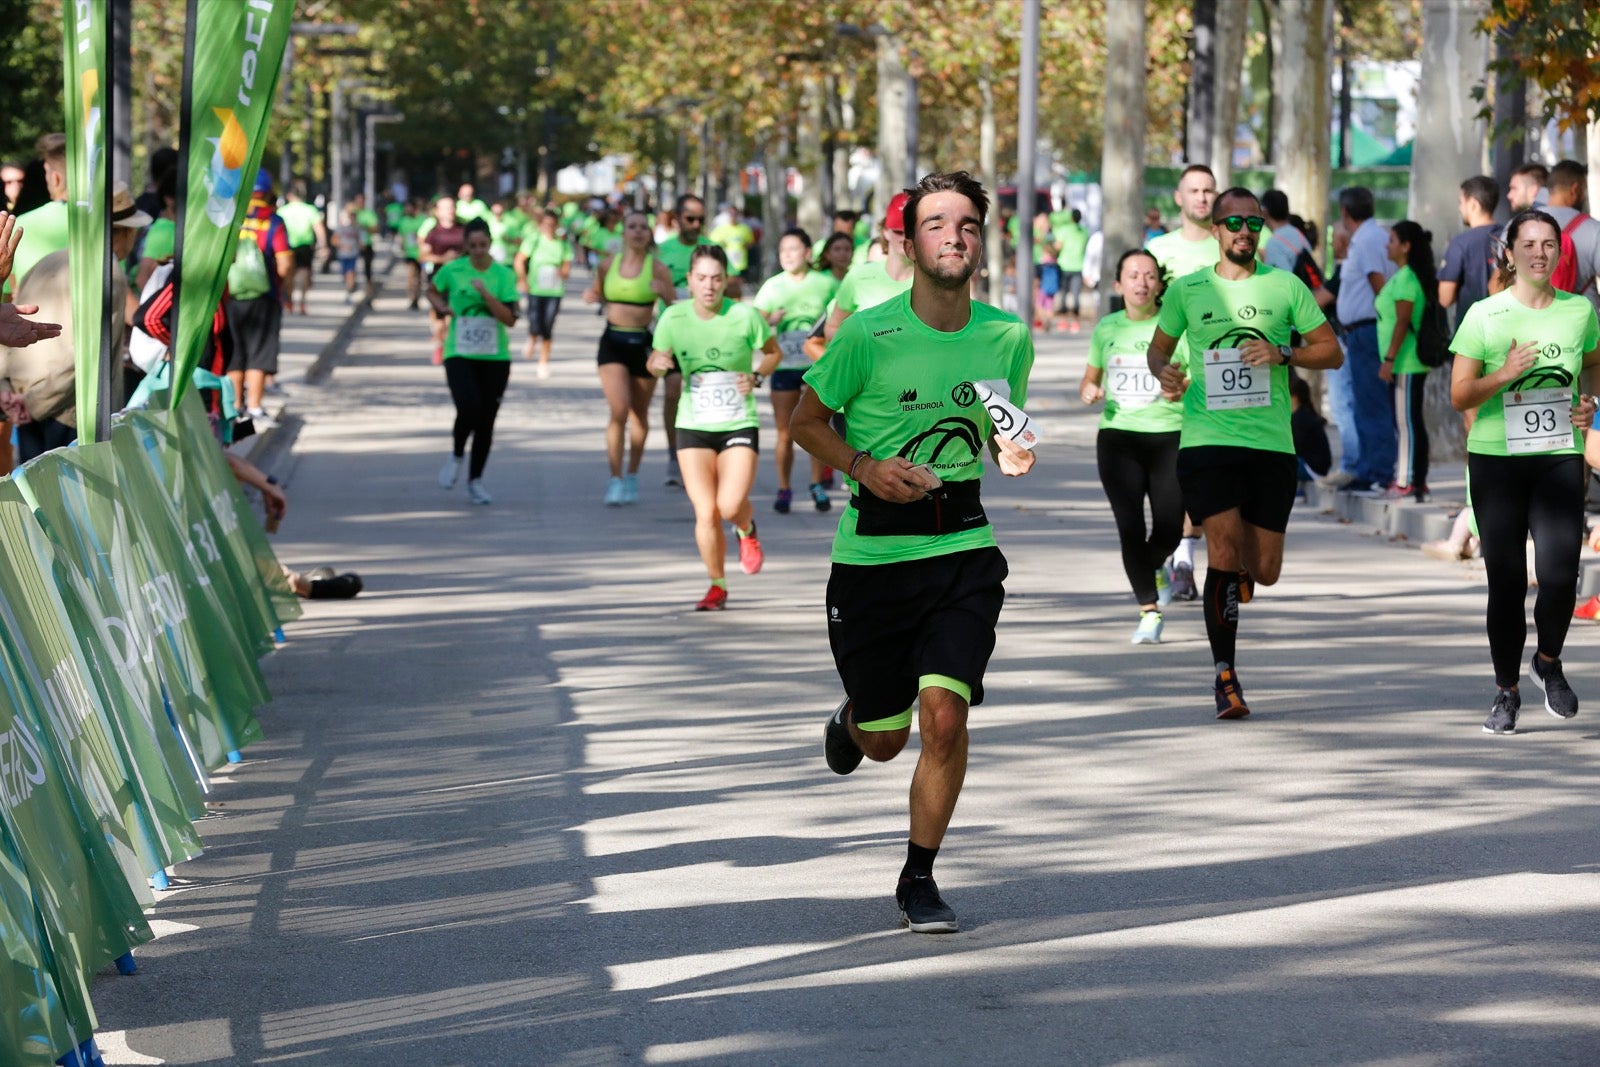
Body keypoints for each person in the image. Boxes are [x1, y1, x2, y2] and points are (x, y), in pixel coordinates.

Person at [792, 170, 1037, 934]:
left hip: (964, 549)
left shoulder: (1006, 335)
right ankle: (856, 715)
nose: (953, 236)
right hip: (871, 560)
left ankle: (919, 876)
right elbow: (806, 419)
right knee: (885, 738)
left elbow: (1006, 435)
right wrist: (864, 466)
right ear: (909, 241)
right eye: (936, 224)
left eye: (966, 224)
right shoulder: (868, 332)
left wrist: (1015, 451)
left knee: (945, 717)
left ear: (980, 242)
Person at [1144, 187, 1343, 719]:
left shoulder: (1285, 286)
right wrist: (1162, 372)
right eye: (1232, 223)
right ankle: (1225, 676)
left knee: (1266, 569)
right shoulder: (1188, 289)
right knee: (1223, 554)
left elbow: (1332, 351)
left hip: (1271, 445)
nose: (1242, 232)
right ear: (1216, 230)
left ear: (1261, 231)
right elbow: (1158, 348)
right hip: (1207, 441)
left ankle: (1244, 579)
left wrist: (1284, 352)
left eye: (1251, 224)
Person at [1450, 208, 1600, 733]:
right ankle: (1505, 691)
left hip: (1558, 456)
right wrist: (1505, 375)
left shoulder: (1579, 310)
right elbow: (1459, 393)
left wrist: (1590, 402)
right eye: (1529, 244)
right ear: (1509, 254)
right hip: (1496, 463)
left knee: (1561, 575)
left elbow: (1595, 360)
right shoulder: (1485, 315)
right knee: (1508, 582)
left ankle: (1549, 662)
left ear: (1560, 253)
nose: (1540, 252)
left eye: (1549, 244)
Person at [648, 245, 779, 609]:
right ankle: (717, 584)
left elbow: (773, 352)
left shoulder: (744, 315)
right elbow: (656, 363)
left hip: (738, 419)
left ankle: (746, 529)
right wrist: (657, 364)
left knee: (730, 504)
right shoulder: (673, 317)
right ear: (689, 281)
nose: (709, 286)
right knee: (705, 511)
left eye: (717, 279)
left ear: (726, 281)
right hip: (693, 423)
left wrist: (755, 376)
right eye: (702, 278)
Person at [1078, 248, 1182, 643]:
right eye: (1133, 275)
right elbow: (1089, 379)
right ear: (1118, 284)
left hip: (1169, 437)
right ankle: (1149, 609)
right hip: (1118, 439)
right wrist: (1089, 390)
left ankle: (1155, 565)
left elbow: (1189, 380)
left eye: (1150, 275)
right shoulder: (1107, 328)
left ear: (1159, 284)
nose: (1142, 282)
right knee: (1130, 528)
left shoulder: (1175, 327)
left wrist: (1179, 388)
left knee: (1170, 529)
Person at [1, 186, 144, 461]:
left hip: (26, 402)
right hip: (71, 413)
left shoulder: (50, 260)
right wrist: (29, 403)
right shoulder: (110, 274)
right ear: (125, 233)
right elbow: (93, 356)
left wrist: (9, 393)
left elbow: (10, 328)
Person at [1145, 164, 1220, 602]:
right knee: (1167, 477)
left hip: (1212, 382)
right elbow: (1143, 308)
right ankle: (1168, 551)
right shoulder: (1159, 249)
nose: (1202, 198)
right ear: (1178, 197)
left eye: (1208, 190)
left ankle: (1186, 557)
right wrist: (1155, 368)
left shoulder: (1229, 246)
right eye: (1193, 190)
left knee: (1200, 474)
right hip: (1164, 375)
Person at [583, 210, 676, 505]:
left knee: (639, 414)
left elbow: (675, 310)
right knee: (619, 411)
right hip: (613, 342)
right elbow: (598, 292)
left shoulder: (658, 268)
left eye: (642, 228)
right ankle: (615, 478)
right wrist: (592, 295)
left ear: (649, 234)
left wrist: (665, 295)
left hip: (643, 343)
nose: (637, 232)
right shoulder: (608, 264)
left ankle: (633, 473)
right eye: (632, 227)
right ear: (623, 232)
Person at [427, 217, 519, 505]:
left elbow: (510, 318)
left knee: (487, 420)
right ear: (465, 245)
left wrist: (485, 294)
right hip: (459, 350)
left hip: (495, 355)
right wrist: (442, 306)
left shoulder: (503, 274)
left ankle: (476, 480)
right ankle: (456, 455)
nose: (478, 250)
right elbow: (431, 289)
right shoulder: (454, 270)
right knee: (469, 406)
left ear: (490, 243)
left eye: (483, 245)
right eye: (473, 245)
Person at [753, 227, 839, 513]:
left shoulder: (825, 283)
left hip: (817, 365)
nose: (788, 255)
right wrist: (770, 319)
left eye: (793, 249)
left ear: (807, 253)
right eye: (783, 250)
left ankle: (816, 483)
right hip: (785, 365)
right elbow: (753, 324)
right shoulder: (773, 286)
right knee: (783, 432)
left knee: (817, 426)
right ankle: (784, 486)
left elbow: (841, 314)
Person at [1325, 186, 1396, 493]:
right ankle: (1369, 468)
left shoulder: (1366, 239)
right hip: (1364, 331)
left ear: (1345, 212)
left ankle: (1377, 470)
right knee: (1366, 403)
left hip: (1368, 330)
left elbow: (1379, 284)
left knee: (1370, 403)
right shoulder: (1372, 236)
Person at [654, 194, 717, 485]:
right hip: (675, 331)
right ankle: (673, 452)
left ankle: (704, 453)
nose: (696, 224)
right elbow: (649, 286)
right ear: (677, 218)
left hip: (709, 331)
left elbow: (733, 286)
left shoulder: (712, 249)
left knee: (705, 394)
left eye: (700, 219)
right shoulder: (663, 250)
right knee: (672, 392)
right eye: (690, 218)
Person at [1375, 221, 1436, 501]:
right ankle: (1414, 479)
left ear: (1405, 246)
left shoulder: (1407, 280)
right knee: (1409, 421)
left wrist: (1389, 359)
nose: (1387, 245)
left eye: (1391, 240)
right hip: (1403, 363)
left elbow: (1402, 322)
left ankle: (1406, 480)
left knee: (1406, 423)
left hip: (1405, 363)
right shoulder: (1403, 276)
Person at [228, 169, 293, 428]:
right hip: (264, 297)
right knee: (259, 353)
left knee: (235, 352)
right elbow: (284, 264)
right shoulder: (273, 221)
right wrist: (283, 288)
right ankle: (254, 407)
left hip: (230, 296)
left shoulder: (231, 218)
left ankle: (234, 406)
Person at [822, 191, 915, 341]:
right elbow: (832, 328)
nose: (904, 238)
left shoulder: (935, 279)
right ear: (885, 232)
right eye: (898, 231)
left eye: (910, 231)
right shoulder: (858, 276)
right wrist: (863, 342)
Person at [514, 208, 573, 379]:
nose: (549, 227)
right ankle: (532, 338)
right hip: (535, 289)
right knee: (534, 322)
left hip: (554, 290)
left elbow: (566, 267)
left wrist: (562, 272)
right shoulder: (534, 240)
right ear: (540, 225)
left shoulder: (562, 244)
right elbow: (519, 260)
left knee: (548, 326)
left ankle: (543, 361)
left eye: (552, 224)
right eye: (545, 224)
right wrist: (523, 279)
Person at [9, 134, 69, 293]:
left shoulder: (20, 224)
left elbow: (11, 291)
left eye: (46, 172)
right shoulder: (102, 222)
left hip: (33, 315)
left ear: (55, 178)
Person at [1439, 176, 1501, 326]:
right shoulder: (1511, 236)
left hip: (1471, 334)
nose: (1459, 208)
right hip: (1506, 331)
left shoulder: (1461, 243)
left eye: (1461, 202)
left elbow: (1445, 298)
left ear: (1473, 204)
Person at [1260, 188, 1334, 310]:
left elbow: (1282, 283)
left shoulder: (1274, 243)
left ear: (1265, 212)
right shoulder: (1298, 234)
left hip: (1293, 312)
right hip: (1309, 301)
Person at [1542, 159, 1600, 307]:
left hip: (1531, 324)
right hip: (1582, 324)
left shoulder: (1517, 226)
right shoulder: (1593, 229)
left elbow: (1498, 283)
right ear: (1575, 189)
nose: (1584, 196)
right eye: (1584, 190)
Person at [420, 197, 465, 364]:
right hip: (439, 277)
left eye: (452, 207)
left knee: (453, 313)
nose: (450, 211)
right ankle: (440, 343)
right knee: (440, 315)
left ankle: (449, 345)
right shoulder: (433, 232)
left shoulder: (463, 229)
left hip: (460, 278)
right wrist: (443, 258)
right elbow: (423, 255)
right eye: (445, 208)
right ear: (437, 212)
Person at [278, 182, 326, 316]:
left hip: (287, 246)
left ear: (289, 196)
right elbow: (319, 229)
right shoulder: (310, 209)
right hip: (305, 245)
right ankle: (303, 302)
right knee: (305, 272)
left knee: (289, 275)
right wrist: (323, 246)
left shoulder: (282, 211)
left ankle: (290, 300)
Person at [1054, 208, 1090, 332]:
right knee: (1076, 295)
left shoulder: (1064, 230)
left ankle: (1063, 322)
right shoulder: (1084, 231)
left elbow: (1058, 246)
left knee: (1063, 294)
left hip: (1064, 265)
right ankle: (1075, 323)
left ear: (1071, 218)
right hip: (1078, 266)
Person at [395, 198, 426, 310]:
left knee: (419, 277)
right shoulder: (404, 221)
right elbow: (402, 235)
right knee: (411, 276)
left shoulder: (422, 219)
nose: (407, 210)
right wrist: (402, 246)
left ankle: (416, 297)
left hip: (422, 253)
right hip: (409, 253)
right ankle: (412, 297)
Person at [349, 192, 379, 290]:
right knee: (351, 265)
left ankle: (369, 286)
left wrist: (365, 227)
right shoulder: (352, 213)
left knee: (367, 267)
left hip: (366, 243)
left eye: (361, 201)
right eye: (357, 201)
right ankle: (352, 284)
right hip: (354, 244)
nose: (359, 203)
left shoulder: (369, 214)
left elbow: (375, 229)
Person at [332, 208, 363, 302]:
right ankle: (350, 287)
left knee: (350, 272)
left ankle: (349, 293)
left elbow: (360, 240)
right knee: (344, 274)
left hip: (353, 254)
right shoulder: (341, 228)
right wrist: (342, 246)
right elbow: (334, 240)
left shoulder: (357, 228)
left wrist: (360, 246)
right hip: (343, 254)